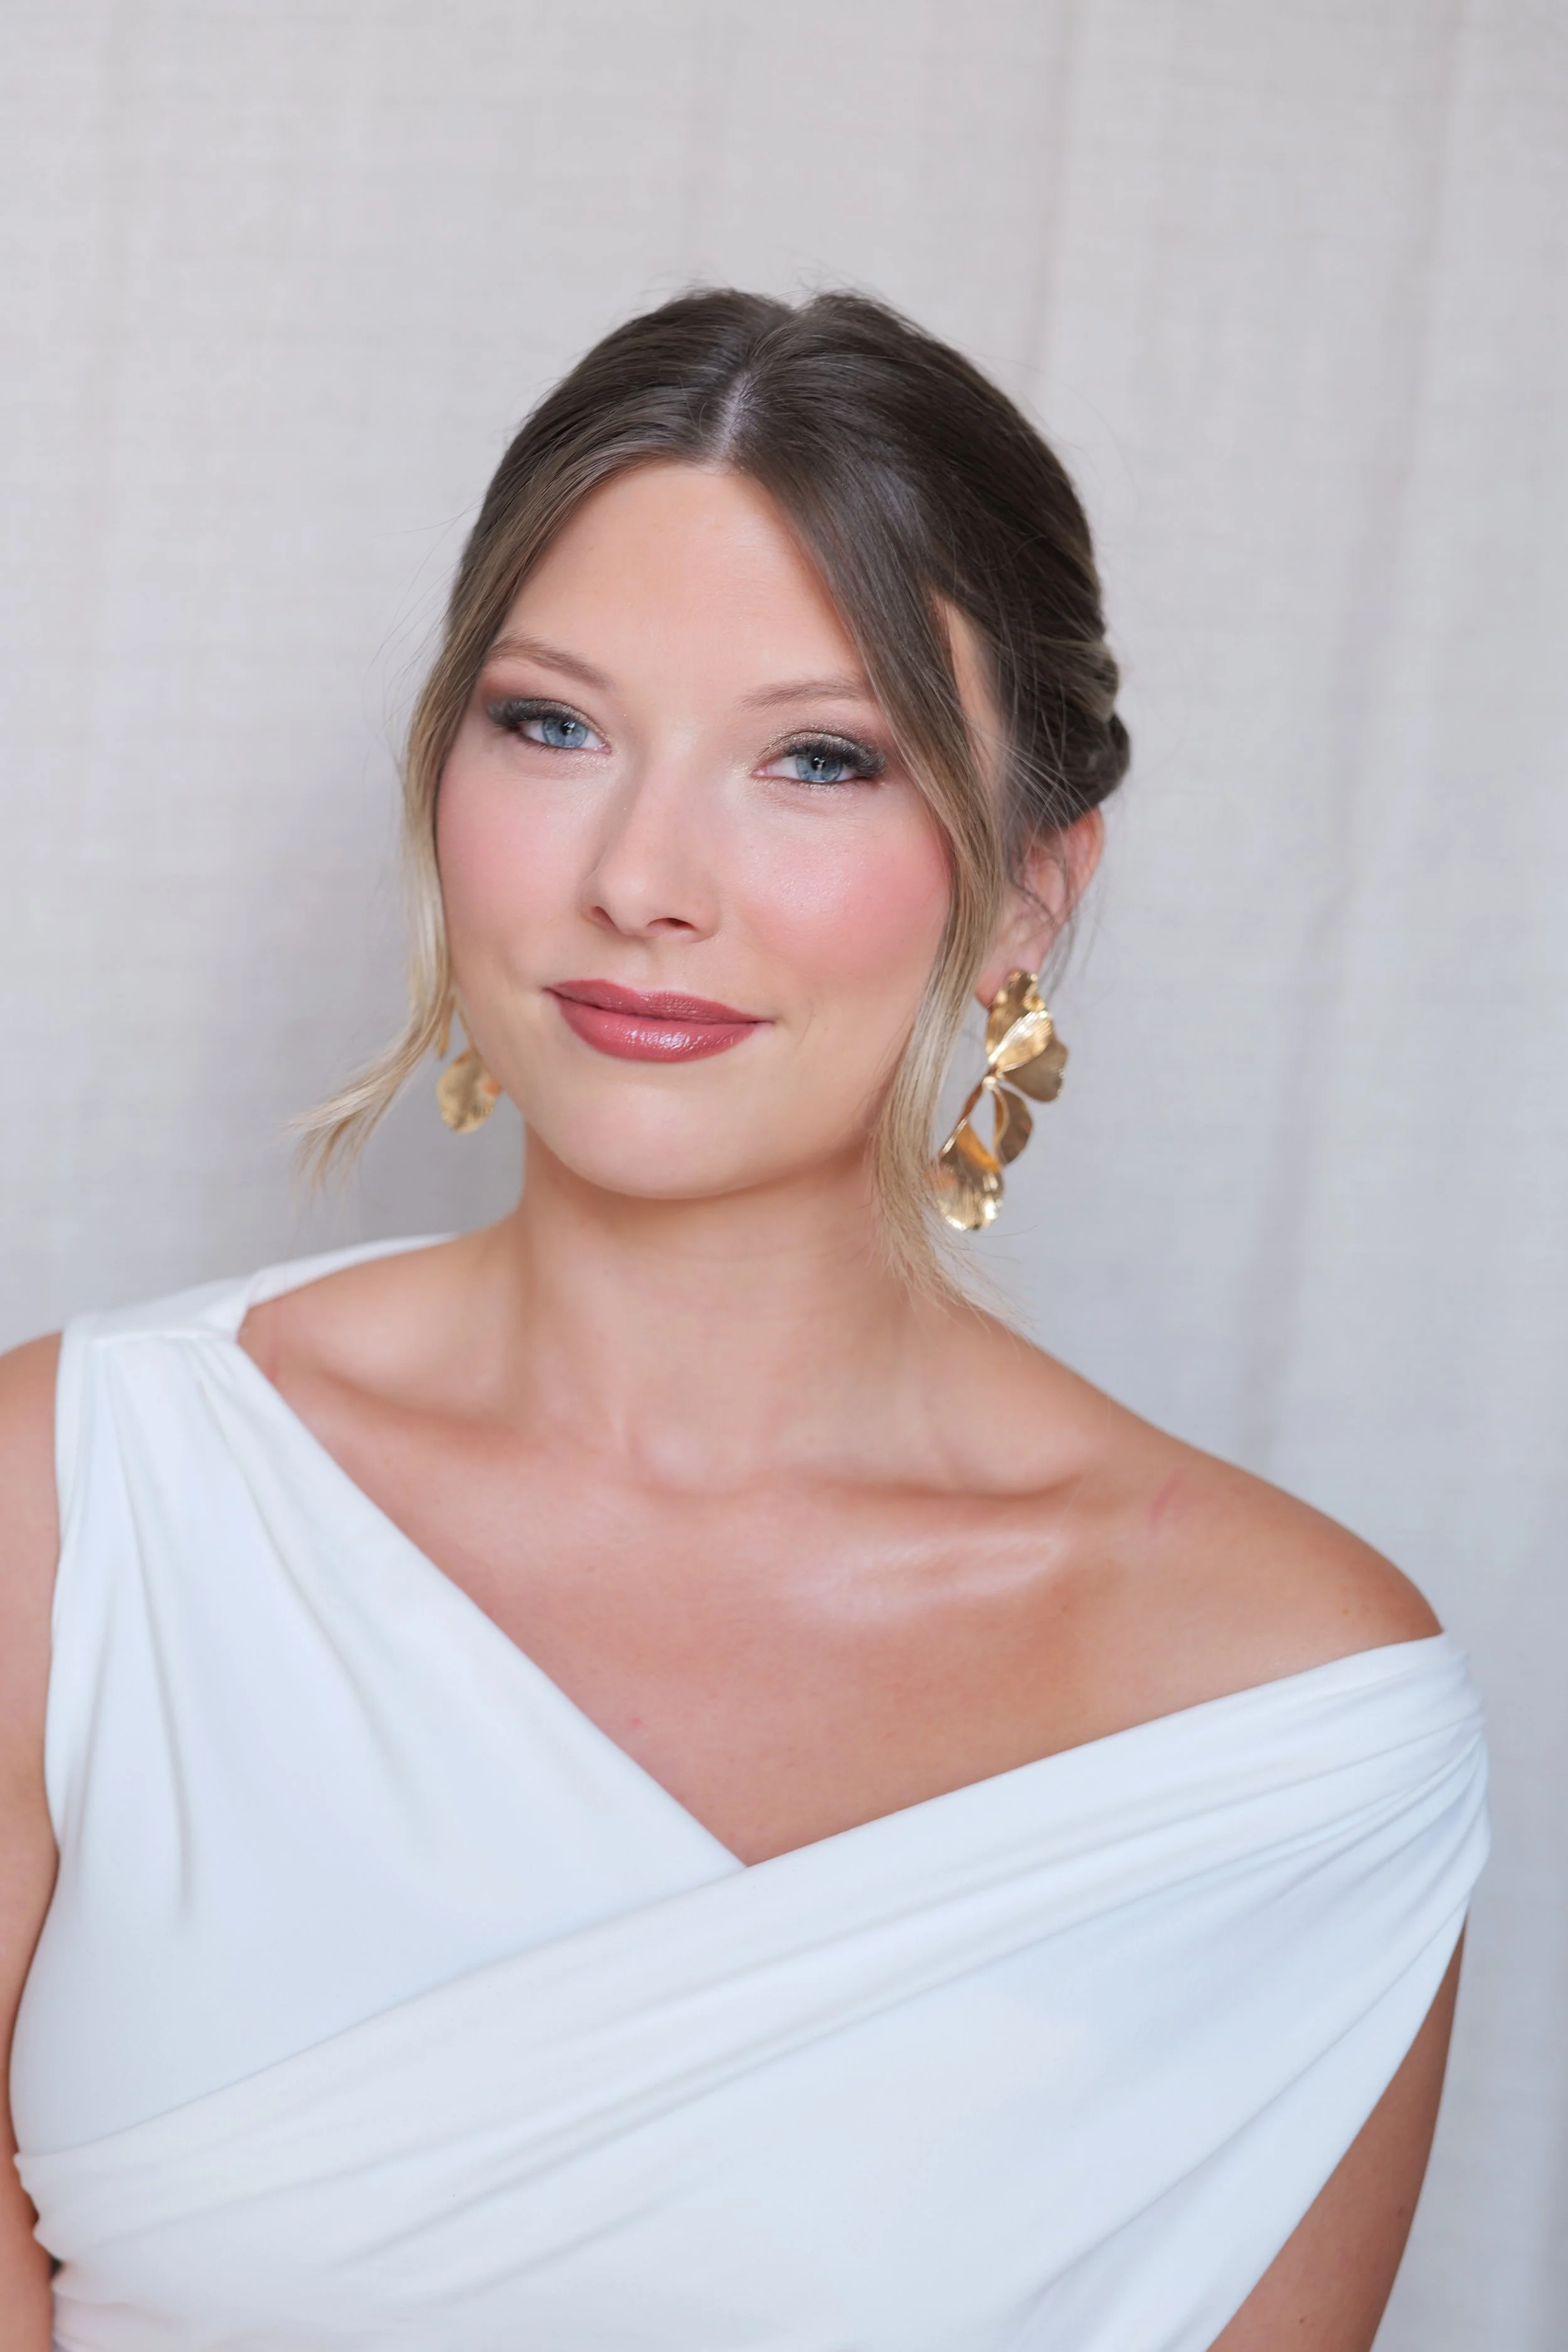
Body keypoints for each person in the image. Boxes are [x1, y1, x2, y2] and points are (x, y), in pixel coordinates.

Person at [0, 289, 1485, 2352]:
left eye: (817, 757)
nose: (640, 875)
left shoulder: (1281, 1713)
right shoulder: (75, 1508)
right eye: (551, 724)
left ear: (1030, 891)